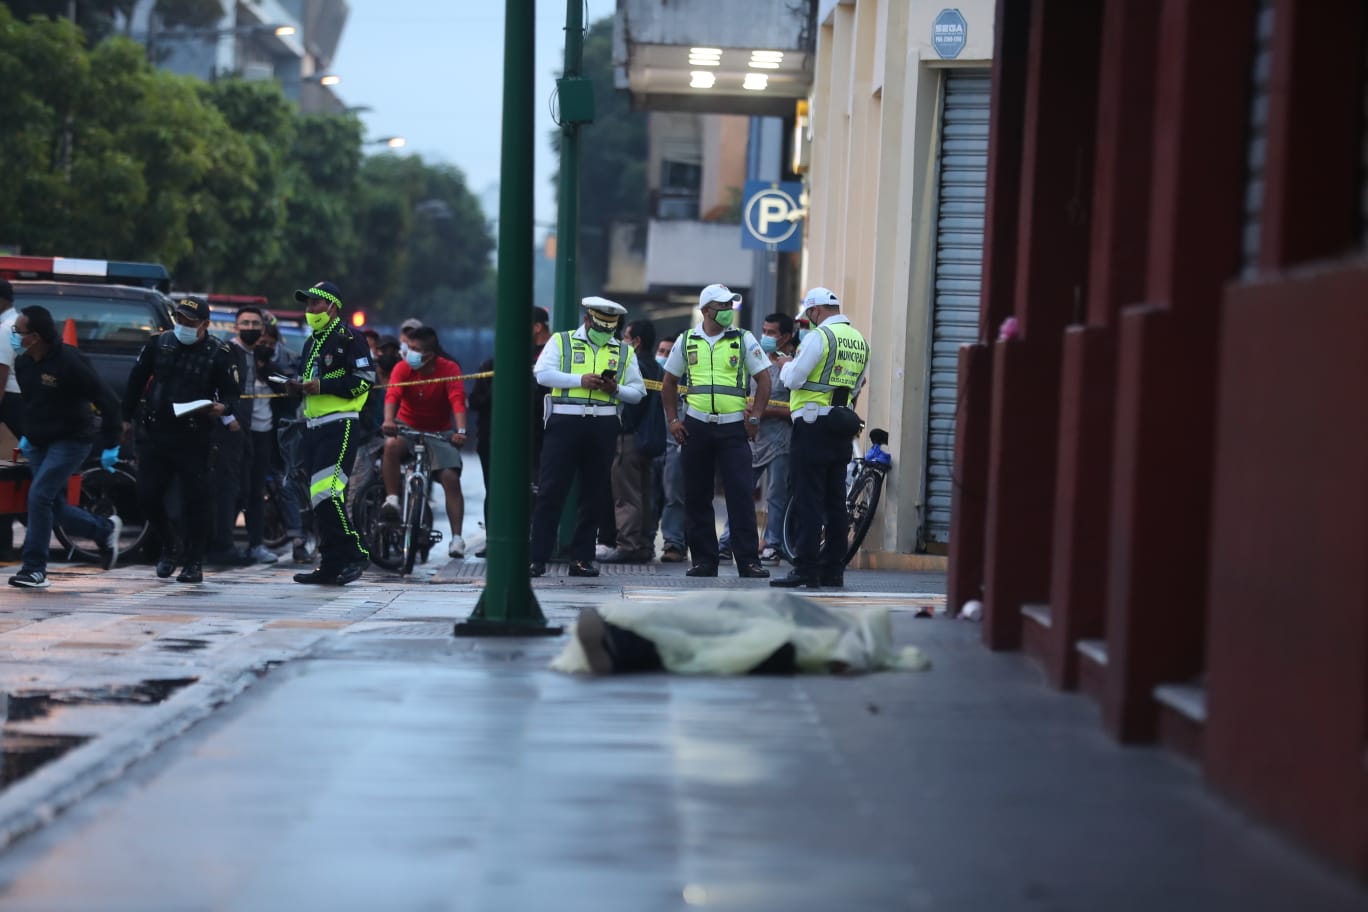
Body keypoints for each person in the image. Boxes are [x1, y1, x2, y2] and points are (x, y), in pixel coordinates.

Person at [124, 296, 242, 584]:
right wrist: (125, 418)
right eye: (180, 319)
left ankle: (193, 561)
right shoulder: (159, 344)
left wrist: (222, 409)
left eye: (190, 321)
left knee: (196, 502)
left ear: (205, 324)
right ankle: (169, 543)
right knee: (147, 495)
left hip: (195, 436)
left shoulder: (219, 353)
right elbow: (136, 380)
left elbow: (231, 395)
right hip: (157, 433)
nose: (183, 326)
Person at [660, 284, 772, 580]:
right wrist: (673, 420)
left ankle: (748, 561)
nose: (728, 312)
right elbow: (668, 382)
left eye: (730, 306)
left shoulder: (743, 340)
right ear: (706, 310)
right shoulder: (687, 340)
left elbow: (764, 379)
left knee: (740, 494)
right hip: (695, 426)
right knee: (697, 496)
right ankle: (704, 561)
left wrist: (756, 417)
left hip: (734, 427)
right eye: (722, 307)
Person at [528, 297, 645, 577]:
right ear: (588, 320)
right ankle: (537, 558)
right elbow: (542, 374)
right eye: (600, 326)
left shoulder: (623, 351)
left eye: (610, 328)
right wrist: (579, 380)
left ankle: (582, 558)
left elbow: (638, 392)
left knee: (594, 494)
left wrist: (615, 388)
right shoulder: (562, 341)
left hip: (603, 424)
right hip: (565, 421)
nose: (605, 333)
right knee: (551, 490)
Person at [8, 306, 124, 588]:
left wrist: (111, 443)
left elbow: (108, 401)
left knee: (39, 497)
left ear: (34, 336)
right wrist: (26, 435)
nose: (13, 336)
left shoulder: (70, 362)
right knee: (52, 504)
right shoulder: (23, 363)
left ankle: (34, 569)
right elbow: (33, 403)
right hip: (38, 442)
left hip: (72, 440)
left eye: (18, 332)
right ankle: (105, 530)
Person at [771, 287, 870, 590]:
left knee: (808, 499)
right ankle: (833, 570)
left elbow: (793, 379)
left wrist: (785, 364)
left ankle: (806, 568)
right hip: (841, 425)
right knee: (835, 500)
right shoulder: (859, 340)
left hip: (812, 425)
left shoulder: (820, 337)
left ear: (815, 311)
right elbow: (856, 386)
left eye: (809, 315)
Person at [286, 281, 374, 585]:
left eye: (315, 304)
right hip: (312, 426)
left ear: (332, 306)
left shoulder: (351, 338)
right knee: (319, 499)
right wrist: (293, 387)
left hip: (340, 424)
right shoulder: (312, 341)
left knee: (326, 493)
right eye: (307, 305)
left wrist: (323, 386)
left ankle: (356, 553)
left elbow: (364, 379)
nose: (309, 310)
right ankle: (330, 563)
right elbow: (307, 379)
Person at [380, 325, 470, 559]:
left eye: (415, 349)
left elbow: (457, 401)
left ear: (429, 354)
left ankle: (457, 538)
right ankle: (392, 500)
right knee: (390, 446)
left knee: (451, 478)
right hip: (406, 428)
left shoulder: (449, 369)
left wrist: (460, 430)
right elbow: (392, 395)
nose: (408, 353)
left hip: (439, 433)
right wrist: (389, 420)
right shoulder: (402, 368)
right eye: (408, 347)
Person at [720, 312, 796, 564]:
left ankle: (772, 544)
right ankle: (727, 541)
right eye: (764, 330)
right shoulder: (754, 359)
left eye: (772, 332)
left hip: (781, 441)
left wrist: (762, 410)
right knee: (740, 490)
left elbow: (795, 410)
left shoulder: (792, 366)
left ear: (786, 337)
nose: (766, 336)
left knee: (776, 495)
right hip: (752, 437)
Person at [602, 318, 661, 563]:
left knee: (626, 494)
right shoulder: (657, 367)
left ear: (636, 342)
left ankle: (628, 545)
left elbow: (632, 404)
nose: (622, 341)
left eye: (626, 337)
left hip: (629, 437)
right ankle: (644, 544)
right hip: (648, 439)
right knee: (644, 493)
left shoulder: (634, 365)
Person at [653, 337, 686, 563]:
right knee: (650, 495)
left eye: (669, 352)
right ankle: (645, 541)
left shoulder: (684, 383)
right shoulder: (652, 375)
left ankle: (674, 543)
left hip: (677, 445)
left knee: (674, 494)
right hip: (655, 445)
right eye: (661, 351)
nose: (664, 356)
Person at [0, 279, 23, 559]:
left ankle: (3, 542)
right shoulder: (16, 323)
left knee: (5, 475)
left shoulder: (5, 330)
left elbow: (1, 380)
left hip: (11, 409)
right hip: (22, 407)